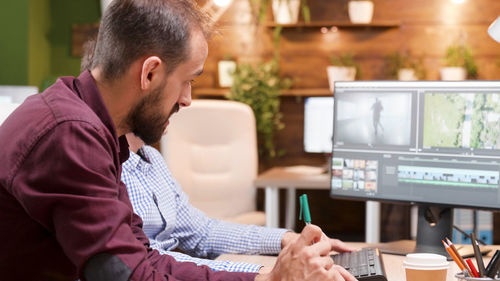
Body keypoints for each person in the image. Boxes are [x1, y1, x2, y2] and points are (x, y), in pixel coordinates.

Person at [0, 0, 356, 281]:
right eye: (188, 80)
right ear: (150, 72)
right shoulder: (71, 133)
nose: (186, 99)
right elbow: (125, 275)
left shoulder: (92, 126)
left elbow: (143, 260)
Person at [122, 133, 354, 273]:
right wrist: (269, 273)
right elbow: (150, 262)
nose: (187, 100)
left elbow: (202, 232)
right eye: (185, 81)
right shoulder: (109, 170)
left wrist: (287, 239)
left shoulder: (152, 158)